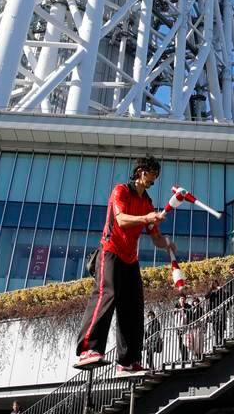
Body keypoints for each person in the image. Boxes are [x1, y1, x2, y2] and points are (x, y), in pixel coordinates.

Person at [74, 155, 176, 376]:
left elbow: (155, 237)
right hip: (110, 251)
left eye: (156, 176)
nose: (154, 179)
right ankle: (88, 350)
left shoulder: (147, 203)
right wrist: (147, 218)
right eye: (152, 174)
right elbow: (121, 220)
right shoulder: (121, 191)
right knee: (106, 294)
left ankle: (127, 362)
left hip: (130, 259)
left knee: (133, 307)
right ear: (141, 171)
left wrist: (166, 243)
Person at [174, 294, 193, 362]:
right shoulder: (176, 305)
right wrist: (177, 310)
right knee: (180, 344)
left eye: (184, 298)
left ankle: (186, 358)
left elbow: (190, 314)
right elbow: (174, 314)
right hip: (179, 327)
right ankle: (183, 358)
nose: (182, 300)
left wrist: (184, 310)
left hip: (186, 327)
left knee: (186, 343)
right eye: (181, 298)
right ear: (179, 299)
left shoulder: (188, 306)